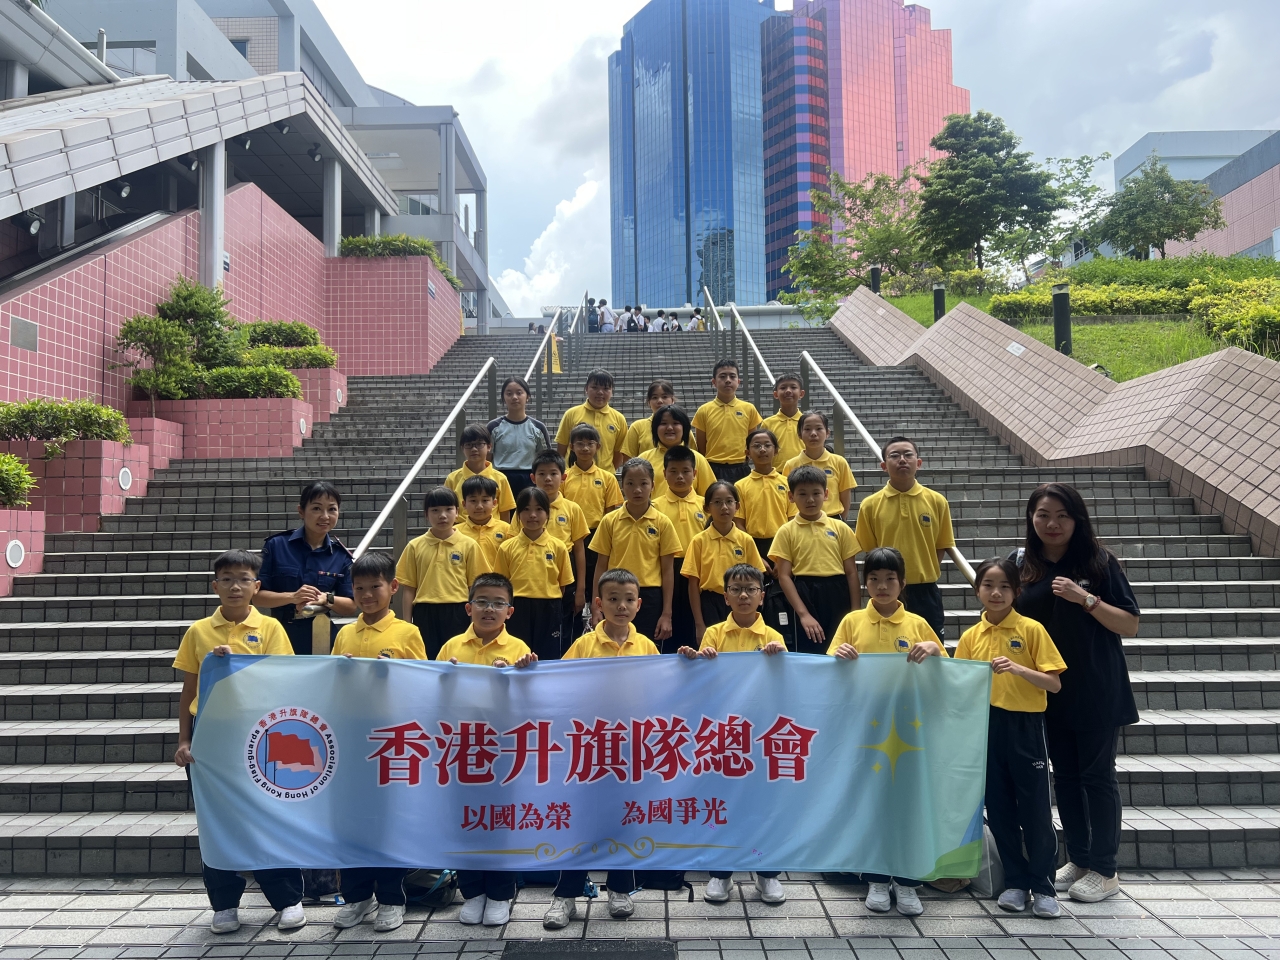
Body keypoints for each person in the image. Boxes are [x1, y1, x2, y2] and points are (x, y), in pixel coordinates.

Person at [1015, 483, 1140, 904]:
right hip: (1049, 690)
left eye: (1062, 515)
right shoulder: (1023, 565)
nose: (1052, 524)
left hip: (1097, 687)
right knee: (1065, 776)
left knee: (1097, 777)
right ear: (1031, 519)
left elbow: (1129, 624)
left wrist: (1085, 598)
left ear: (1077, 519)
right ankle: (1080, 860)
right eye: (1043, 515)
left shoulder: (1099, 563)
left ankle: (1105, 870)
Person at [173, 549, 304, 935]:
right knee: (216, 821)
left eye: (244, 579)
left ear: (257, 586)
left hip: (259, 734)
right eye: (227, 579)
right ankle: (224, 904)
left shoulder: (271, 629)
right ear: (215, 586)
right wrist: (184, 739)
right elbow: (189, 691)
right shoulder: (198, 631)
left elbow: (282, 680)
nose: (235, 586)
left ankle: (287, 900)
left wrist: (237, 665)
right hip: (210, 735)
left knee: (268, 815)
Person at [827, 547, 942, 917]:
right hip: (866, 727)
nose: (882, 586)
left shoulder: (918, 624)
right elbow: (829, 670)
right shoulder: (852, 621)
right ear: (865, 583)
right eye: (874, 579)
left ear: (902, 583)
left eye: (890, 579)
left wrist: (934, 649)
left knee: (908, 805)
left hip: (909, 729)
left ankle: (907, 882)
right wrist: (838, 657)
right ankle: (877, 879)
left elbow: (946, 672)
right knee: (872, 804)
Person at [955, 556, 1066, 920]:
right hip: (986, 726)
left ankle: (1044, 886)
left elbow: (1054, 683)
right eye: (988, 585)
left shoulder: (1031, 629)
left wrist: (1019, 668)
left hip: (1026, 726)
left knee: (1035, 810)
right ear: (977, 590)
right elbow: (960, 685)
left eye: (1005, 586)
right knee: (1000, 809)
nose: (996, 593)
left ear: (1017, 591)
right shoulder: (971, 637)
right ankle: (1016, 883)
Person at [544, 568, 654, 929]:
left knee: (624, 818)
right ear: (598, 603)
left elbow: (662, 691)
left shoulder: (647, 647)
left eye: (628, 599)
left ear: (639, 604)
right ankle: (565, 895)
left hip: (630, 750)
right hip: (589, 748)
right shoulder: (583, 645)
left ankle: (619, 889)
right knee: (580, 821)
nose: (621, 606)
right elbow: (558, 685)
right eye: (613, 599)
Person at [674, 563, 786, 905]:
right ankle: (721, 873)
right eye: (736, 590)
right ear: (725, 597)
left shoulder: (773, 637)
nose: (743, 595)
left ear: (762, 596)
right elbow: (703, 681)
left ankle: (767, 874)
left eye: (750, 589)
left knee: (762, 803)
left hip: (760, 732)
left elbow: (785, 683)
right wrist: (696, 659)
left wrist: (779, 659)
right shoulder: (714, 634)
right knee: (720, 803)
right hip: (722, 733)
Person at [330, 551, 426, 933]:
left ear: (394, 587)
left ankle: (390, 898)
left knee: (389, 821)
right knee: (352, 820)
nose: (367, 595)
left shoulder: (407, 633)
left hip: (392, 740)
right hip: (352, 740)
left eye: (376, 587)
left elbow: (422, 684)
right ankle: (356, 896)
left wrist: (395, 675)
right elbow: (332, 686)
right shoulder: (345, 634)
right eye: (359, 589)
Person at [437, 573, 536, 927]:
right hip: (462, 749)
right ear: (468, 608)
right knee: (465, 820)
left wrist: (520, 675)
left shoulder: (520, 649)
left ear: (510, 611)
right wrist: (446, 677)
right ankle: (472, 892)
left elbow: (532, 704)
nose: (489, 609)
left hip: (504, 752)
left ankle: (500, 894)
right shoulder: (451, 648)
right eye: (482, 602)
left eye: (497, 603)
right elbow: (436, 697)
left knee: (499, 821)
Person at [853, 436, 955, 641]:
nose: (902, 459)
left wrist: (923, 571)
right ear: (883, 466)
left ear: (919, 463)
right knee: (887, 647)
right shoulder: (870, 505)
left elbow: (941, 545)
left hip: (925, 591)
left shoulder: (937, 501)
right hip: (887, 591)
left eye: (908, 454)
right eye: (894, 456)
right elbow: (871, 551)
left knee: (931, 650)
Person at [256, 481, 355, 655]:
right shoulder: (277, 546)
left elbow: (351, 606)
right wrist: (293, 597)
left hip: (322, 636)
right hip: (280, 634)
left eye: (332, 509)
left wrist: (326, 598)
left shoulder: (341, 556)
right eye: (316, 508)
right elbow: (257, 597)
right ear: (301, 511)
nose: (325, 516)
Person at [589, 458, 680, 645]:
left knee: (646, 650)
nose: (637, 490)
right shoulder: (609, 521)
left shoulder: (663, 523)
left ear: (653, 486)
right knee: (613, 646)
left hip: (650, 596)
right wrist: (596, 606)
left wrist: (667, 613)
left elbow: (667, 570)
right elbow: (601, 565)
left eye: (643, 484)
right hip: (614, 593)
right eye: (630, 484)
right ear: (622, 486)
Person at [769, 465, 859, 653]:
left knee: (840, 650)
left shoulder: (840, 528)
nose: (810, 499)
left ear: (826, 494)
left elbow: (851, 573)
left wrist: (856, 611)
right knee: (809, 650)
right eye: (802, 494)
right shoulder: (786, 531)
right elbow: (784, 576)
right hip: (804, 593)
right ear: (791, 497)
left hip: (838, 592)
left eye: (816, 493)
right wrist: (803, 614)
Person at [396, 486, 483, 659]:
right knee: (427, 658)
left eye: (448, 509)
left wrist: (474, 618)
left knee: (458, 658)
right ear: (426, 515)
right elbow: (409, 588)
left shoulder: (469, 545)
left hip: (458, 610)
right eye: (435, 510)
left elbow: (474, 587)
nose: (442, 515)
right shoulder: (414, 546)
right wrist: (407, 622)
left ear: (457, 512)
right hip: (425, 611)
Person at [516, 450, 590, 641]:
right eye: (542, 474)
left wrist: (580, 589)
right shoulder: (524, 509)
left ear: (563, 477)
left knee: (563, 630)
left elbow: (579, 549)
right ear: (533, 478)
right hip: (532, 574)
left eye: (553, 473)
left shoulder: (572, 509)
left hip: (565, 571)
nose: (547, 479)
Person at [497, 486, 574, 660]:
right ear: (518, 514)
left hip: (549, 607)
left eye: (539, 509)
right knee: (516, 654)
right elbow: (502, 585)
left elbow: (562, 585)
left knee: (548, 656)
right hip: (517, 607)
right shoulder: (506, 547)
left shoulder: (559, 547)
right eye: (526, 509)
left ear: (547, 513)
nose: (532, 515)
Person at [684, 481, 764, 642]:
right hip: (710, 604)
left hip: (741, 599)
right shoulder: (699, 541)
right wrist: (699, 623)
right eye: (717, 502)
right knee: (712, 648)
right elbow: (693, 584)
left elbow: (757, 579)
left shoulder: (746, 540)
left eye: (729, 501)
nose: (724, 507)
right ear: (707, 508)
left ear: (737, 506)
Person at [653, 445, 707, 651]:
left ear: (695, 473)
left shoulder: (706, 506)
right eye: (673, 471)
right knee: (669, 626)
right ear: (664, 473)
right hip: (667, 570)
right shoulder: (655, 507)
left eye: (685, 471)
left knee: (696, 627)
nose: (680, 477)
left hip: (699, 570)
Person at [563, 423, 624, 601]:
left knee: (597, 580)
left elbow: (610, 512)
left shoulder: (607, 478)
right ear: (571, 447)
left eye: (590, 443)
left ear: (598, 447)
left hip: (597, 535)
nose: (585, 448)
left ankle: (596, 612)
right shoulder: (564, 477)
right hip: (571, 536)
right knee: (574, 579)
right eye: (580, 444)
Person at [693, 359, 762, 484]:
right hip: (712, 467)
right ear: (714, 382)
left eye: (732, 376)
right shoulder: (704, 410)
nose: (728, 380)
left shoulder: (749, 409)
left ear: (738, 381)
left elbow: (752, 441)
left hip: (740, 467)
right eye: (722, 376)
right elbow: (701, 447)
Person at [735, 427, 794, 566]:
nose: (762, 450)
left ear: (776, 451)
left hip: (783, 544)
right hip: (752, 544)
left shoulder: (787, 483)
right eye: (756, 446)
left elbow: (793, 520)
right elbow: (738, 523)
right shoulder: (740, 486)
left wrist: (783, 556)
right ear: (748, 453)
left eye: (767, 445)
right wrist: (754, 554)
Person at [782, 412, 856, 520]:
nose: (813, 433)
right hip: (802, 521)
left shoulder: (839, 462)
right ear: (799, 434)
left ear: (827, 433)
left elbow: (845, 496)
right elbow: (788, 499)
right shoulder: (791, 465)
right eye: (807, 429)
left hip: (832, 519)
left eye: (819, 428)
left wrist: (841, 520)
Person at [487, 376, 552, 498]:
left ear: (527, 396)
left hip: (530, 480)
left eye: (519, 392)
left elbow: (545, 459)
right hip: (500, 479)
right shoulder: (493, 427)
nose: (514, 397)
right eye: (509, 393)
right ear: (503, 398)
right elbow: (487, 458)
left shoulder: (538, 427)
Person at [555, 368, 628, 469]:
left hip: (605, 476)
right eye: (595, 387)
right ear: (586, 388)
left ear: (612, 391)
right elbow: (561, 449)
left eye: (606, 388)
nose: (600, 392)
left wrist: (606, 473)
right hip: (573, 475)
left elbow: (618, 453)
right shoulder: (571, 414)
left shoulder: (619, 419)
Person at [641, 404, 715, 499]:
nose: (669, 428)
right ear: (655, 429)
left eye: (675, 423)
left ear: (684, 428)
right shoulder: (644, 459)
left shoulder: (698, 459)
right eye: (663, 423)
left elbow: (710, 496)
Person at [446, 424, 516, 522]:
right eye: (468, 445)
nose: (474, 449)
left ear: (489, 446)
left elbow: (504, 512)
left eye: (479, 444)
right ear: (462, 448)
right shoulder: (452, 479)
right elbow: (446, 509)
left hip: (493, 530)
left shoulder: (500, 478)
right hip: (461, 529)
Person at [456, 475, 508, 572]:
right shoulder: (456, 532)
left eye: (485, 500)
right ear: (464, 504)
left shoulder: (506, 529)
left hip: (498, 581)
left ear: (494, 503)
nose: (479, 506)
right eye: (473, 501)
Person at [621, 380, 677, 460]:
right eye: (654, 397)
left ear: (672, 400)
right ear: (648, 402)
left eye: (664, 397)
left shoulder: (682, 427)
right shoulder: (637, 427)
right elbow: (628, 461)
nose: (660, 401)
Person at [761, 373, 806, 465]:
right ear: (776, 394)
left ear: (801, 394)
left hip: (804, 470)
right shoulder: (767, 423)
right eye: (783, 388)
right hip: (776, 471)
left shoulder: (807, 422)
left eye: (793, 387)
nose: (788, 391)